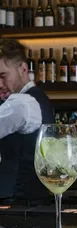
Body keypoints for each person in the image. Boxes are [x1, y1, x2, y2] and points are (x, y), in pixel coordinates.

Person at [0, 39, 54, 204]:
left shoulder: (22, 103)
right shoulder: (34, 98)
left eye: (3, 76)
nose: (0, 84)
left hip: (18, 202)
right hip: (29, 200)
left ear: (23, 69)